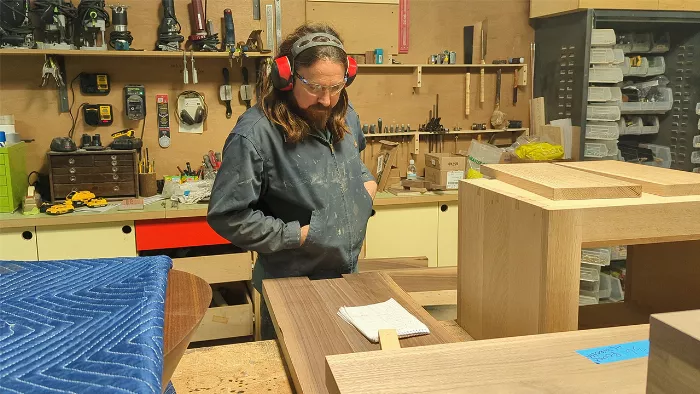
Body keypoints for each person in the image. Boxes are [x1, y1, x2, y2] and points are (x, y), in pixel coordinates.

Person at [207, 23, 377, 339]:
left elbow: (355, 163)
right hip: (291, 286)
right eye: (314, 87)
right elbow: (226, 216)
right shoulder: (255, 133)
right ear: (285, 77)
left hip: (348, 276)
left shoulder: (345, 114)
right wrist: (298, 235)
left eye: (336, 87)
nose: (326, 100)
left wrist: (366, 188)